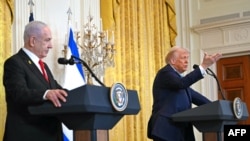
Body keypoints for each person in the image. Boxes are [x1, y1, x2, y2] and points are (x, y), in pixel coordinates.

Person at [3, 21, 68, 141]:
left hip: (50, 135)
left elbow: (58, 90)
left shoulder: (44, 67)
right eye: (47, 40)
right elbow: (19, 93)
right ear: (33, 41)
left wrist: (80, 94)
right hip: (26, 135)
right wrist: (46, 94)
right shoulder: (14, 63)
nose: (51, 46)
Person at [147, 46, 222, 141]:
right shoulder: (165, 73)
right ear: (173, 61)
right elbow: (181, 84)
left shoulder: (179, 80)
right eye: (184, 58)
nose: (187, 61)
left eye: (187, 58)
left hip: (180, 128)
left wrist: (218, 107)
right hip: (166, 129)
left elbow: (197, 97)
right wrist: (204, 66)